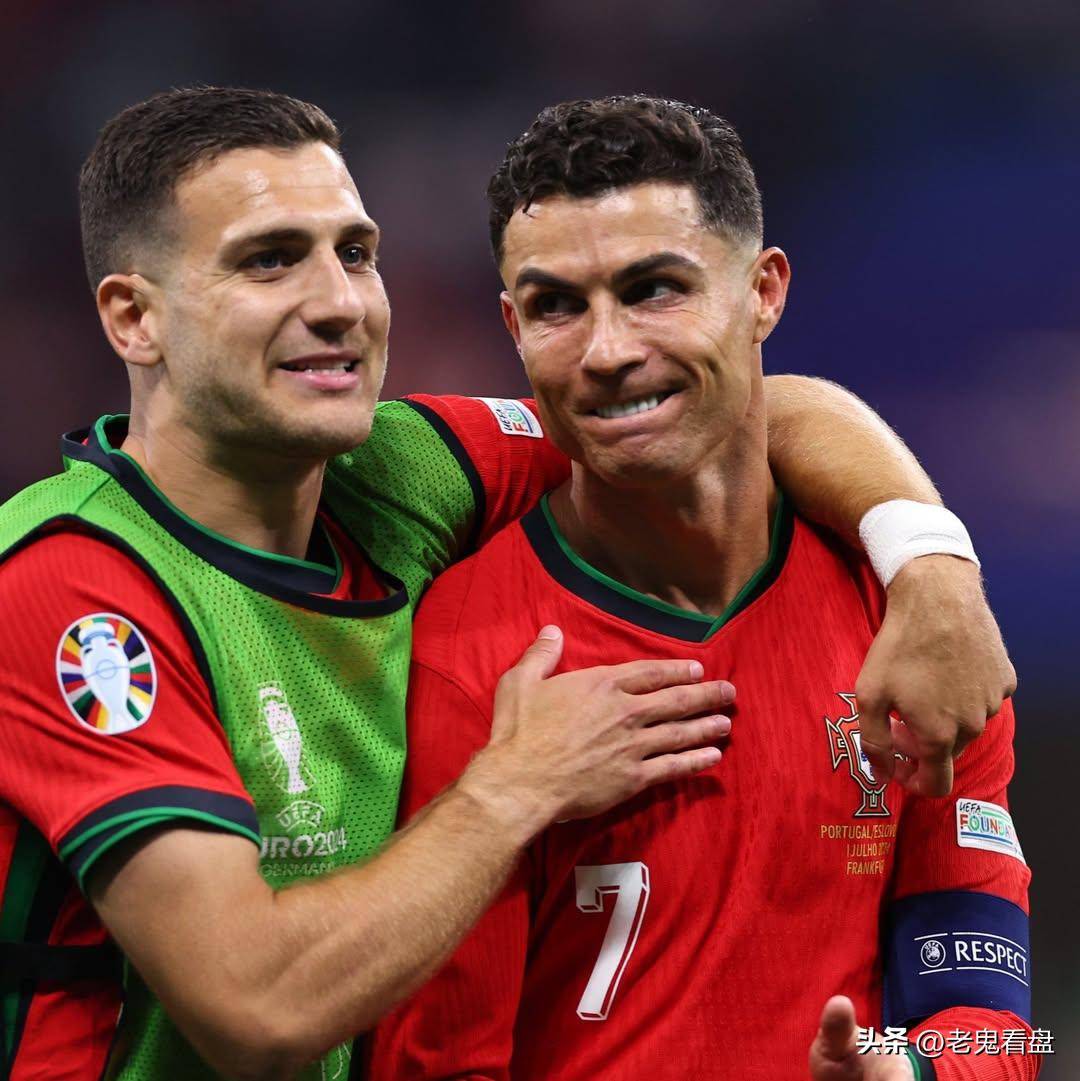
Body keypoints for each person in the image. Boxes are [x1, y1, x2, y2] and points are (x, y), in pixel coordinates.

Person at [0, 87, 1011, 1080]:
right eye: (270, 260)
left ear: (764, 291)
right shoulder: (70, 590)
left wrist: (932, 566)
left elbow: (731, 411)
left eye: (355, 253)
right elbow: (257, 1012)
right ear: (134, 317)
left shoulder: (403, 473)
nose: (340, 302)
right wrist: (513, 786)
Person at [368, 97, 1035, 1081]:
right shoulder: (471, 661)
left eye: (654, 290)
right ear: (512, 325)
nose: (606, 350)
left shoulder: (918, 628)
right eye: (556, 306)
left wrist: (914, 1071)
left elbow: (992, 1018)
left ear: (764, 292)